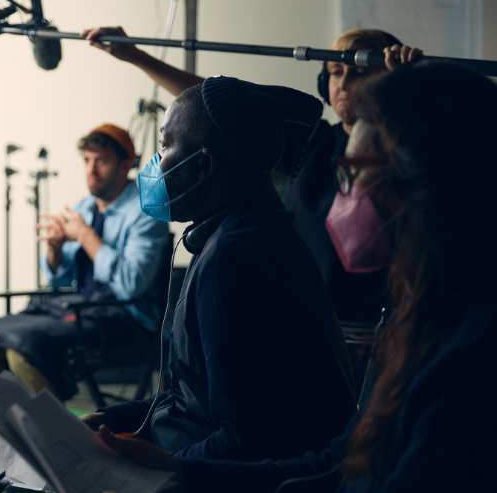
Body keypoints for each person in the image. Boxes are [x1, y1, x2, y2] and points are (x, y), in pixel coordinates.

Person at [98, 61, 497, 493]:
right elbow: (338, 466)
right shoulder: (417, 319)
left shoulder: (471, 358)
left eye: (350, 175)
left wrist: (172, 479)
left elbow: (259, 440)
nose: (338, 198)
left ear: (420, 184)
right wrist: (177, 472)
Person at [83, 77, 356, 464]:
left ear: (204, 165)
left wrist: (162, 471)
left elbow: (250, 442)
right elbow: (194, 397)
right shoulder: (240, 233)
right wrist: (107, 420)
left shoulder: (236, 260)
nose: (155, 164)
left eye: (165, 145)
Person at [81, 27, 421, 327]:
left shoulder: (410, 151)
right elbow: (214, 106)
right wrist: (136, 56)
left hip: (382, 333)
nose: (344, 84)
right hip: (307, 323)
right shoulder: (312, 144)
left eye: (359, 73)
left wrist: (411, 86)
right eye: (335, 72)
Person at [0, 124, 171, 400]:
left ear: (125, 166)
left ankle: (50, 426)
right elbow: (60, 279)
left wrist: (85, 235)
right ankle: (9, 424)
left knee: (22, 348)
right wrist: (55, 250)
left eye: (101, 161)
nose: (91, 170)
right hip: (81, 308)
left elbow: (132, 283)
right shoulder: (85, 207)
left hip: (125, 319)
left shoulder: (146, 212)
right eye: (86, 160)